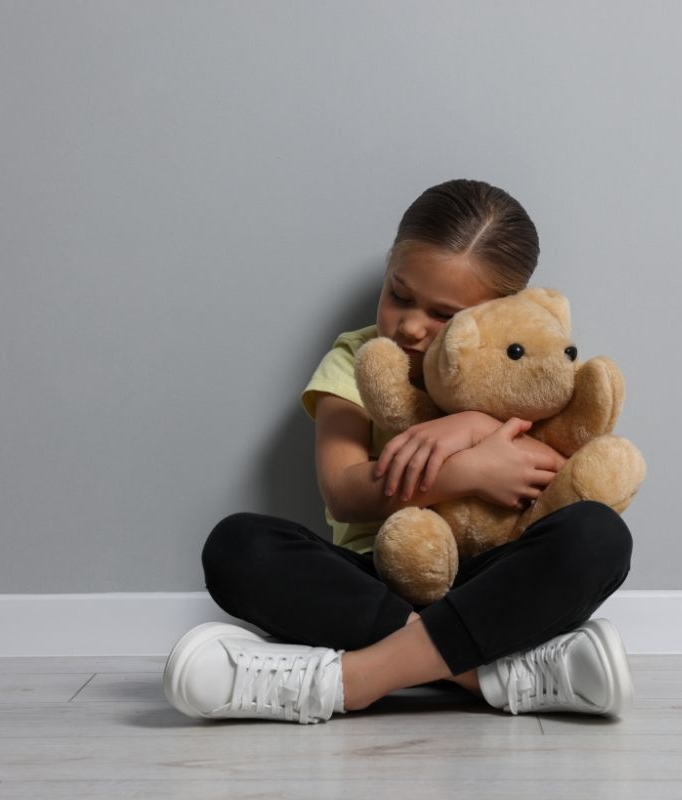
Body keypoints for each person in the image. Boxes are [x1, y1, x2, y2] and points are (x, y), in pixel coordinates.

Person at [163, 179, 635, 724]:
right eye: (400, 295)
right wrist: (467, 471)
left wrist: (472, 421)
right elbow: (344, 494)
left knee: (598, 536)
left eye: (442, 314)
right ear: (389, 267)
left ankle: (351, 681)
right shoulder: (356, 358)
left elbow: (549, 475)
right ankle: (486, 674)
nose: (410, 326)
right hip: (374, 582)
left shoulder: (524, 368)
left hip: (492, 581)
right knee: (237, 546)